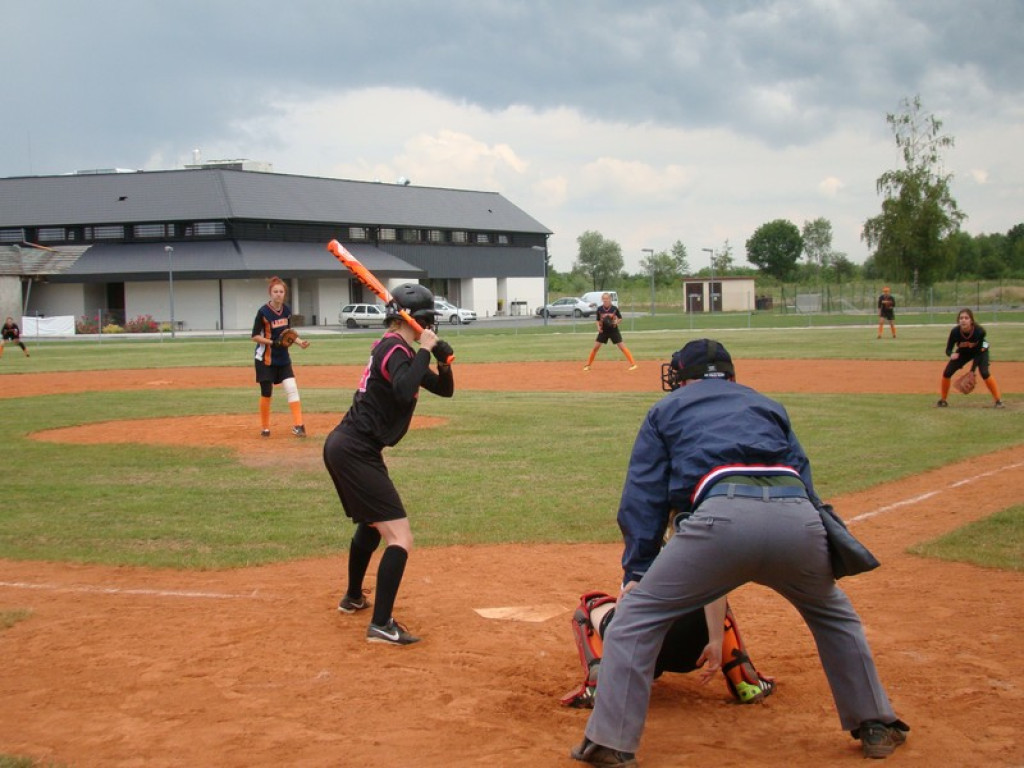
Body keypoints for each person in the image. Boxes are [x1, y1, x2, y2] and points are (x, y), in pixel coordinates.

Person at [571, 339, 908, 766]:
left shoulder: (666, 409)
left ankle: (610, 743)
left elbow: (644, 496)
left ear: (682, 376)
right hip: (796, 521)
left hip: (720, 521)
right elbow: (804, 481)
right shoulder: (768, 405)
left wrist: (639, 567)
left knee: (635, 621)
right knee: (834, 616)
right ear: (731, 375)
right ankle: (876, 724)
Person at [323, 283, 454, 646]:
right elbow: (401, 389)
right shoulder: (395, 348)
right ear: (413, 319)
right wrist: (425, 350)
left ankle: (353, 598)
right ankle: (382, 624)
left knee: (372, 525)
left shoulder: (399, 351)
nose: (429, 329)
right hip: (355, 449)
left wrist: (440, 359)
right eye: (427, 323)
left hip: (350, 447)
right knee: (400, 537)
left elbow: (444, 390)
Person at [251, 276, 311, 438]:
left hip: (283, 358)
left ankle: (299, 425)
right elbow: (255, 336)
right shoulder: (263, 312)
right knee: (266, 392)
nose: (278, 294)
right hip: (265, 359)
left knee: (291, 388)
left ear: (285, 294)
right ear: (270, 293)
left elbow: (288, 335)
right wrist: (272, 342)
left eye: (281, 291)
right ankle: (265, 427)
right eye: (275, 291)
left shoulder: (286, 311)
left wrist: (300, 342)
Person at [937, 308, 1004, 408]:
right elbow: (948, 350)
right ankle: (943, 400)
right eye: (961, 318)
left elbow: (978, 352)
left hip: (981, 350)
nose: (963, 320)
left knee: (984, 373)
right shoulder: (955, 332)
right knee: (947, 372)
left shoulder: (979, 331)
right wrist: (951, 354)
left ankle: (998, 400)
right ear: (958, 320)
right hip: (964, 352)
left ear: (971, 321)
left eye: (966, 318)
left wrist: (972, 370)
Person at [583, 293, 637, 371]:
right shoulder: (600, 309)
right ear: (602, 300)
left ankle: (633, 364)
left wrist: (616, 322)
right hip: (603, 330)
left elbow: (620, 318)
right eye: (604, 299)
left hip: (613, 330)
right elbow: (597, 320)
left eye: (607, 298)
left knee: (622, 347)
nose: (605, 300)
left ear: (610, 299)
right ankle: (588, 365)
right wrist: (598, 327)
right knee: (595, 348)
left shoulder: (614, 308)